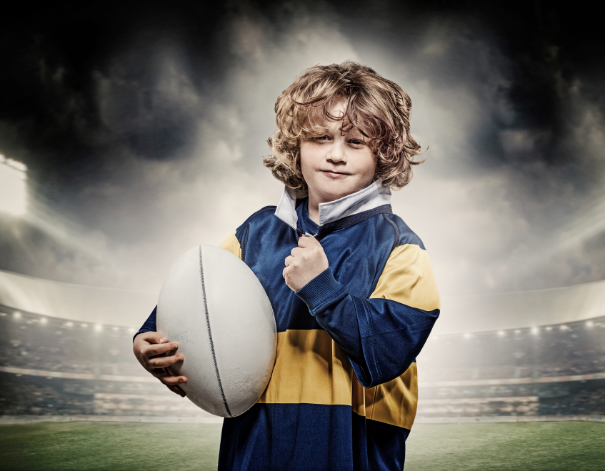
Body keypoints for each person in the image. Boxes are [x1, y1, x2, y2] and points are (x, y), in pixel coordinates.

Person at [133, 61, 440, 470]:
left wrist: (321, 289)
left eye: (355, 142)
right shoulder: (255, 233)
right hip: (255, 450)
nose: (335, 155)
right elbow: (198, 297)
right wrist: (149, 341)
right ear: (296, 145)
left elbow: (388, 351)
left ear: (383, 153)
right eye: (320, 138)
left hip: (351, 456)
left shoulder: (402, 248)